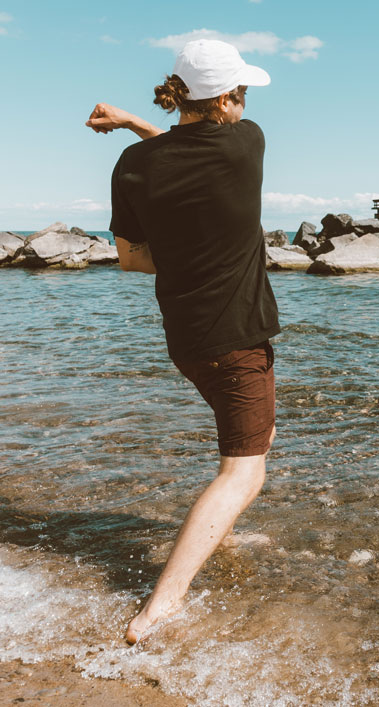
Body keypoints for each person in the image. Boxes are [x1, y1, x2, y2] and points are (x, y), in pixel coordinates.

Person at [86, 39, 280, 645]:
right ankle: (163, 604)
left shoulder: (132, 166)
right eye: (240, 94)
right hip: (239, 337)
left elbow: (131, 261)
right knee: (245, 473)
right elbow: (196, 146)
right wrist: (136, 125)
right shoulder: (247, 143)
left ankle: (217, 526)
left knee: (258, 435)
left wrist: (131, 124)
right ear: (227, 98)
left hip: (187, 338)